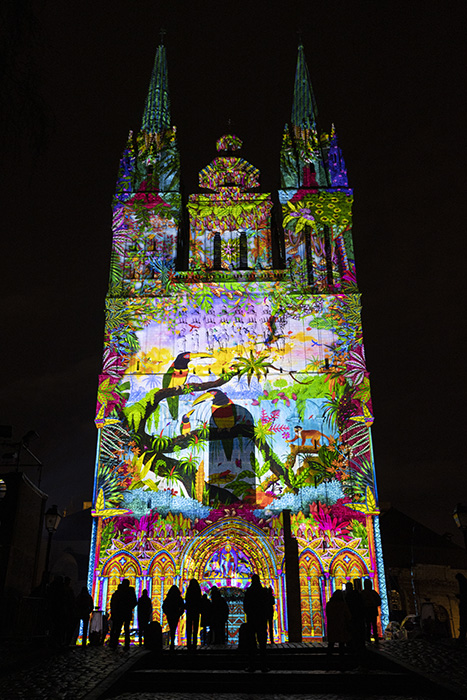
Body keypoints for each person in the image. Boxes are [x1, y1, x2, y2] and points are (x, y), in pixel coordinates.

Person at [243, 574, 269, 672]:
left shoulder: (249, 591)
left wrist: (250, 613)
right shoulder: (263, 592)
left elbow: (245, 605)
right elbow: (267, 604)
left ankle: (252, 665)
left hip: (252, 620)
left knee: (251, 644)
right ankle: (263, 666)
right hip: (261, 619)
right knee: (262, 644)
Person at [326, 590, 351, 667]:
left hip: (332, 625)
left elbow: (327, 614)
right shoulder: (343, 605)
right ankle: (342, 661)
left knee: (331, 643)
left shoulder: (329, 604)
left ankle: (329, 660)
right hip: (341, 625)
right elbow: (348, 616)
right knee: (341, 644)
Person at [345, 580, 366, 666]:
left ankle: (353, 648)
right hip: (359, 617)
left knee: (353, 632)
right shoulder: (358, 595)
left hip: (352, 618)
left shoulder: (347, 596)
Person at [163, 585, 185, 650]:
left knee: (171, 627)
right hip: (175, 614)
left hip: (170, 614)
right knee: (174, 627)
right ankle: (172, 640)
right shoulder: (178, 598)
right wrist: (179, 613)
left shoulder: (168, 598)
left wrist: (167, 612)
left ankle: (172, 641)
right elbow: (182, 606)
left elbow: (164, 606)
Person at [362, 579, 381, 645]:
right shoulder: (371, 593)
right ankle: (371, 638)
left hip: (369, 611)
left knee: (371, 625)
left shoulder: (367, 593)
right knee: (370, 625)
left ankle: (373, 638)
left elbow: (379, 601)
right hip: (369, 611)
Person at [185, 579, 202, 651]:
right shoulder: (198, 591)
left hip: (189, 611)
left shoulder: (189, 591)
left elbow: (186, 599)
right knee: (195, 627)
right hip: (196, 611)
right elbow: (200, 600)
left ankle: (188, 643)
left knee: (189, 627)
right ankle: (194, 643)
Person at [455, 573, 467, 645]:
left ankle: (462, 638)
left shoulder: (464, 585)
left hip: (464, 607)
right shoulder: (464, 584)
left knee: (463, 623)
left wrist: (460, 596)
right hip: (463, 607)